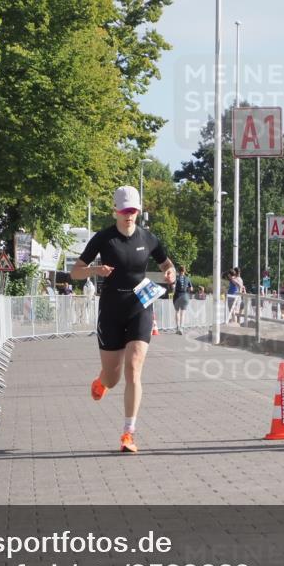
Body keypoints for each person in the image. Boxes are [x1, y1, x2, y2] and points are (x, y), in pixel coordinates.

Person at [71, 186, 176, 453]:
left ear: (138, 211)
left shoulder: (148, 237)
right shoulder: (104, 238)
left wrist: (170, 272)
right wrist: (96, 269)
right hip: (111, 308)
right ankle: (102, 381)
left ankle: (128, 433)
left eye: (133, 211)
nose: (129, 215)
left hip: (140, 305)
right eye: (124, 211)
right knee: (113, 377)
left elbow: (166, 263)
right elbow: (75, 272)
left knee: (134, 368)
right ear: (115, 212)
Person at [173, 265, 193, 334]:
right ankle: (181, 328)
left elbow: (173, 286)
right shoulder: (187, 278)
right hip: (185, 296)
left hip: (177, 295)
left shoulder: (176, 278)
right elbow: (191, 288)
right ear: (184, 271)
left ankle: (177, 327)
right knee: (183, 313)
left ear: (178, 271)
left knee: (177, 312)